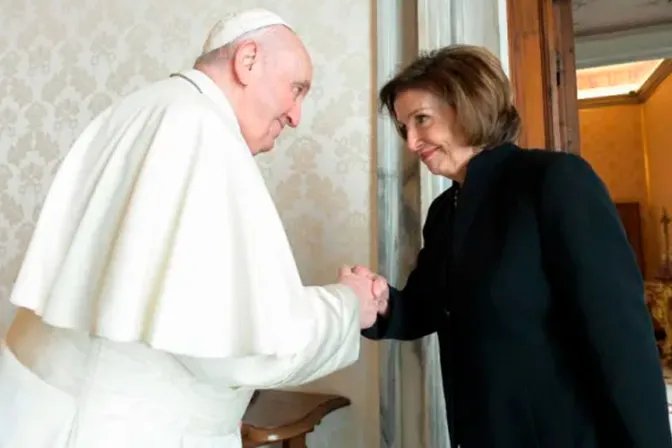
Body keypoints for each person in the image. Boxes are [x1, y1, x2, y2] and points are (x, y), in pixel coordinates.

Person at [0, 9, 381, 448]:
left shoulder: (142, 107)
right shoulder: (202, 130)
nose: (296, 116)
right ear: (248, 60)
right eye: (296, 90)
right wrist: (349, 306)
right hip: (115, 427)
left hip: (44, 408)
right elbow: (245, 353)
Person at [356, 44, 672, 447]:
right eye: (405, 128)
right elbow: (427, 307)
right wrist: (379, 302)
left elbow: (622, 338)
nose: (412, 142)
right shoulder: (444, 210)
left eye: (422, 120)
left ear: (469, 106)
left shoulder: (556, 181)